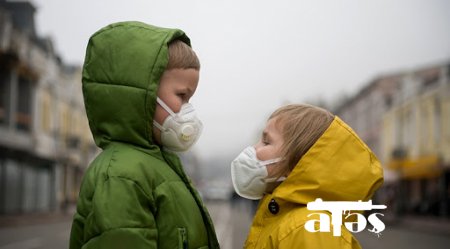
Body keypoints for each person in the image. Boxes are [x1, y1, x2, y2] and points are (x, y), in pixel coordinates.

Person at [69, 21, 219, 249]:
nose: (188, 109)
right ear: (144, 93)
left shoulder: (157, 163)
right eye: (181, 95)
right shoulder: (122, 176)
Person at [231, 104, 384, 248]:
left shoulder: (309, 228)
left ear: (298, 161)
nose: (254, 148)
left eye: (266, 142)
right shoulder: (288, 218)